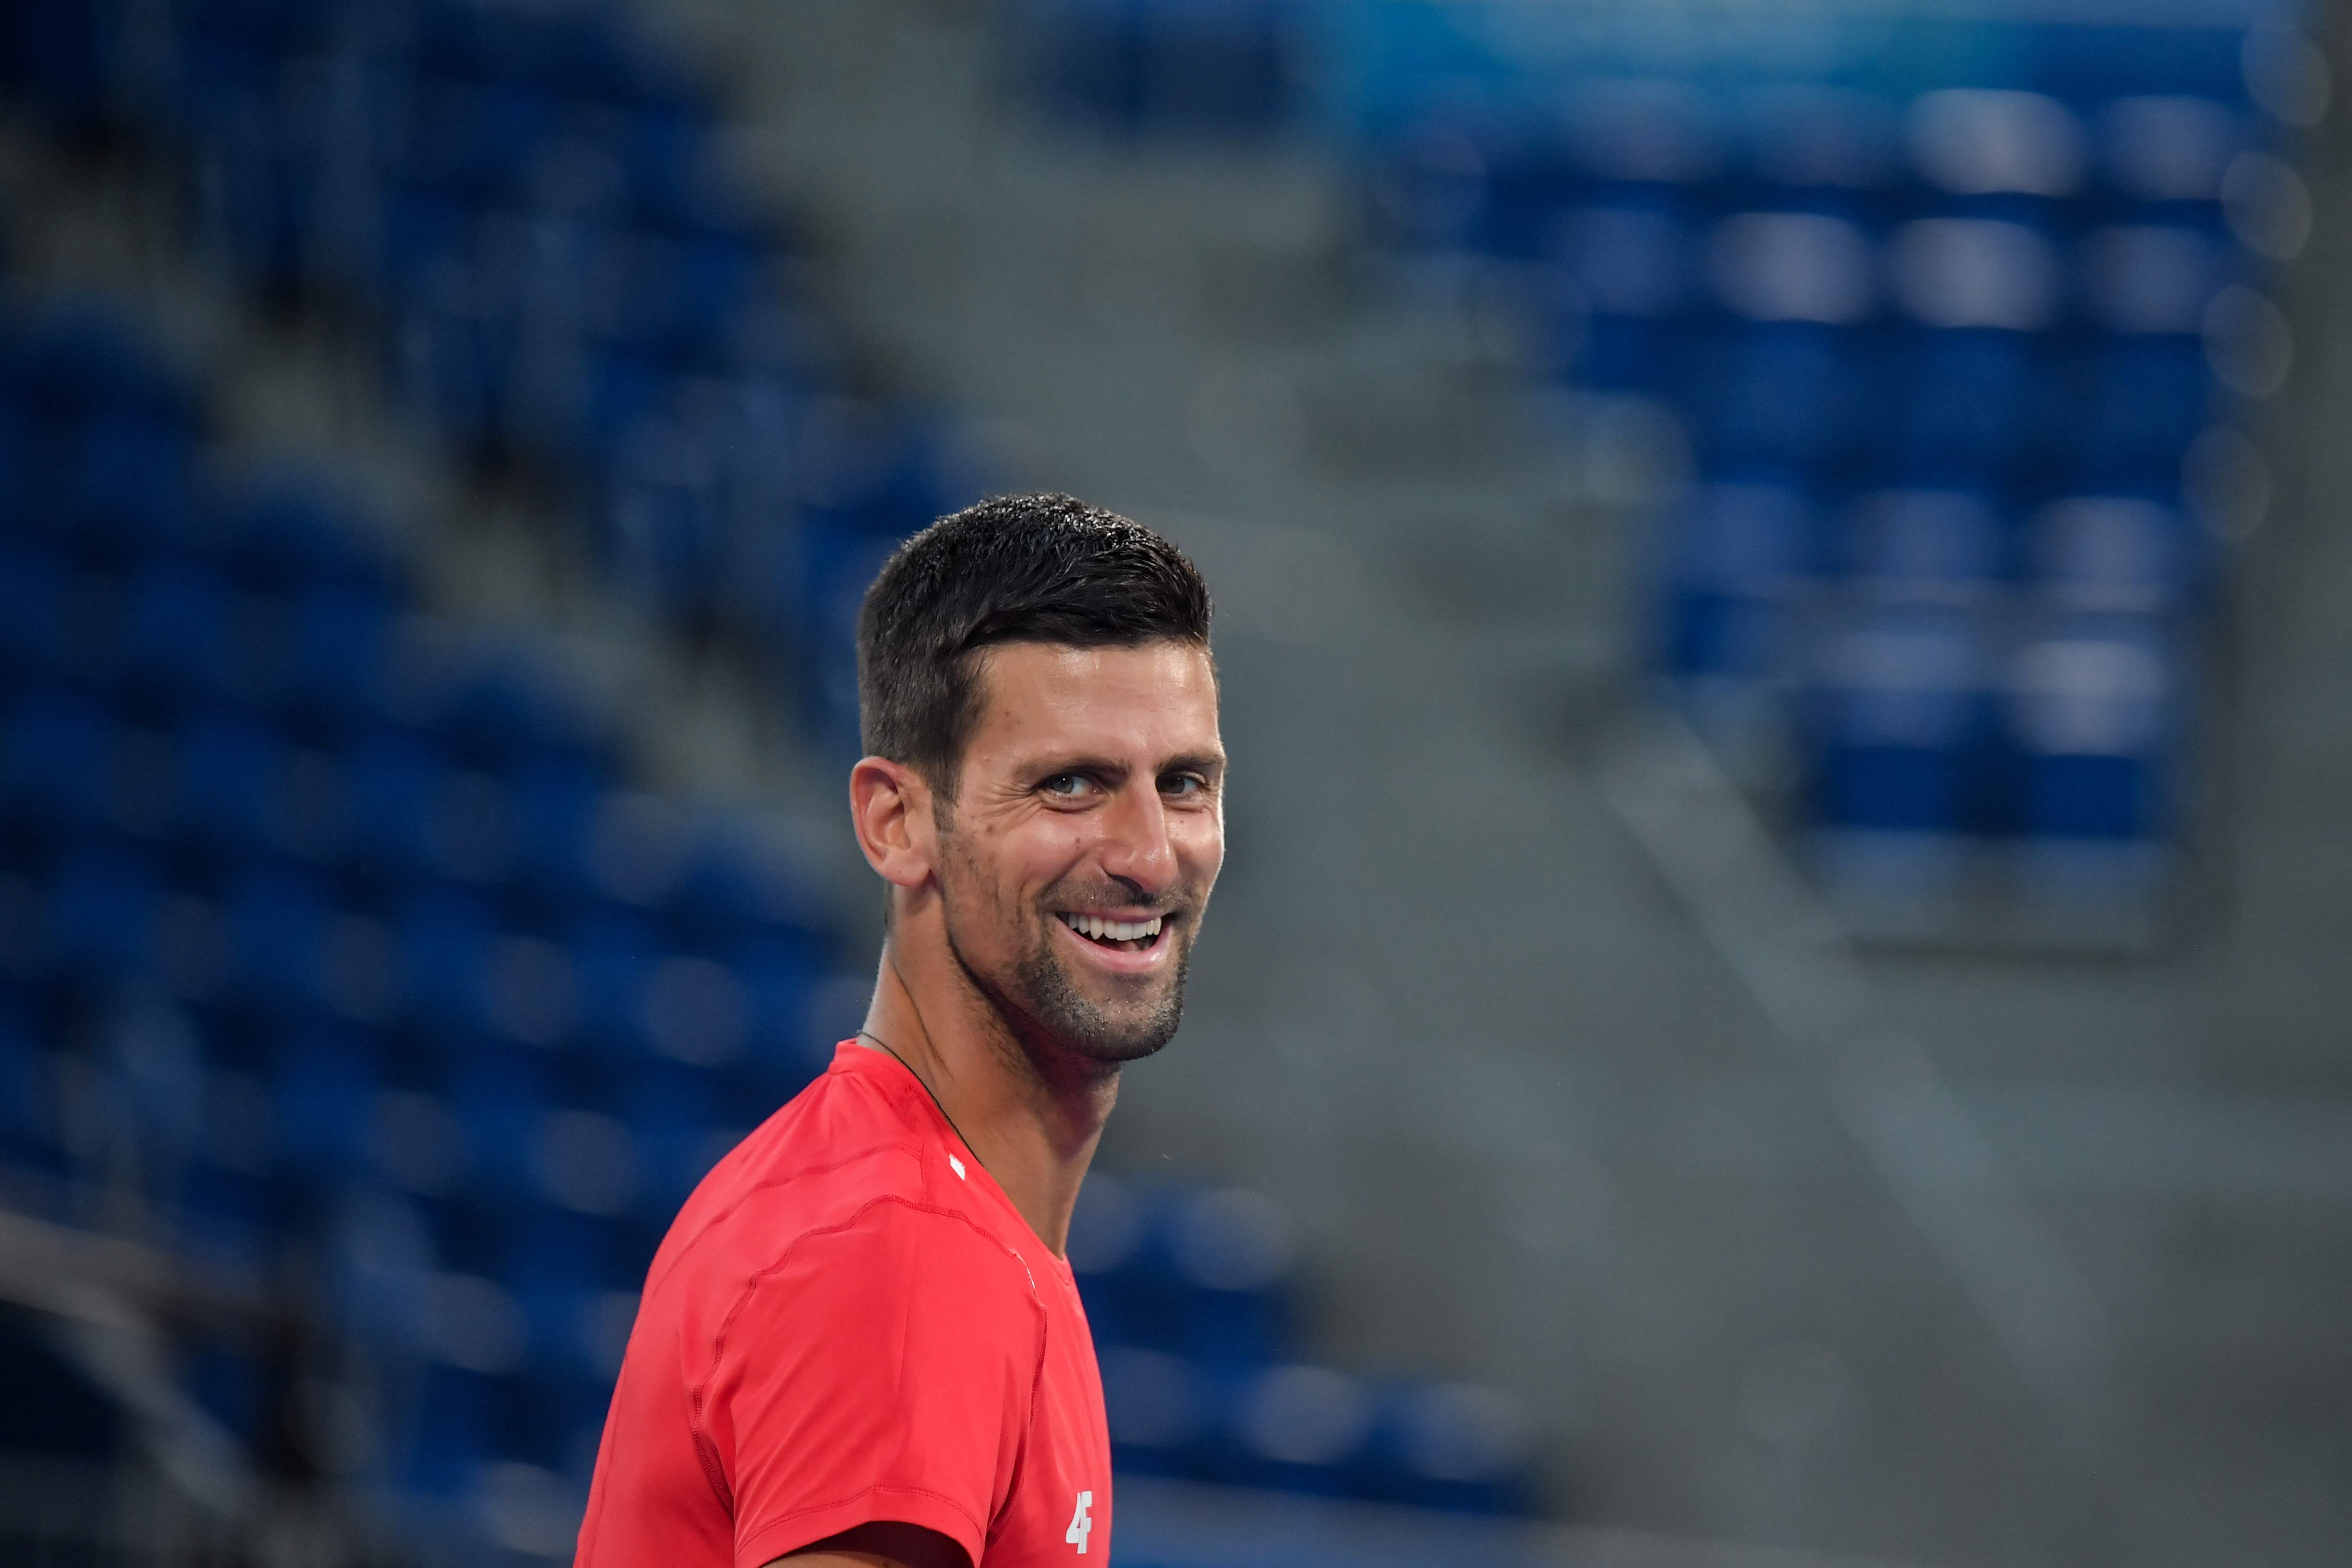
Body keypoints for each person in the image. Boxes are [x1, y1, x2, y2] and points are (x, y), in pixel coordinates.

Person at [576, 494, 1226, 1568]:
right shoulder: (901, 1254)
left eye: (1184, 784)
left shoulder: (935, 1216)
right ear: (897, 822)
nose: (1151, 855)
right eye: (1072, 785)